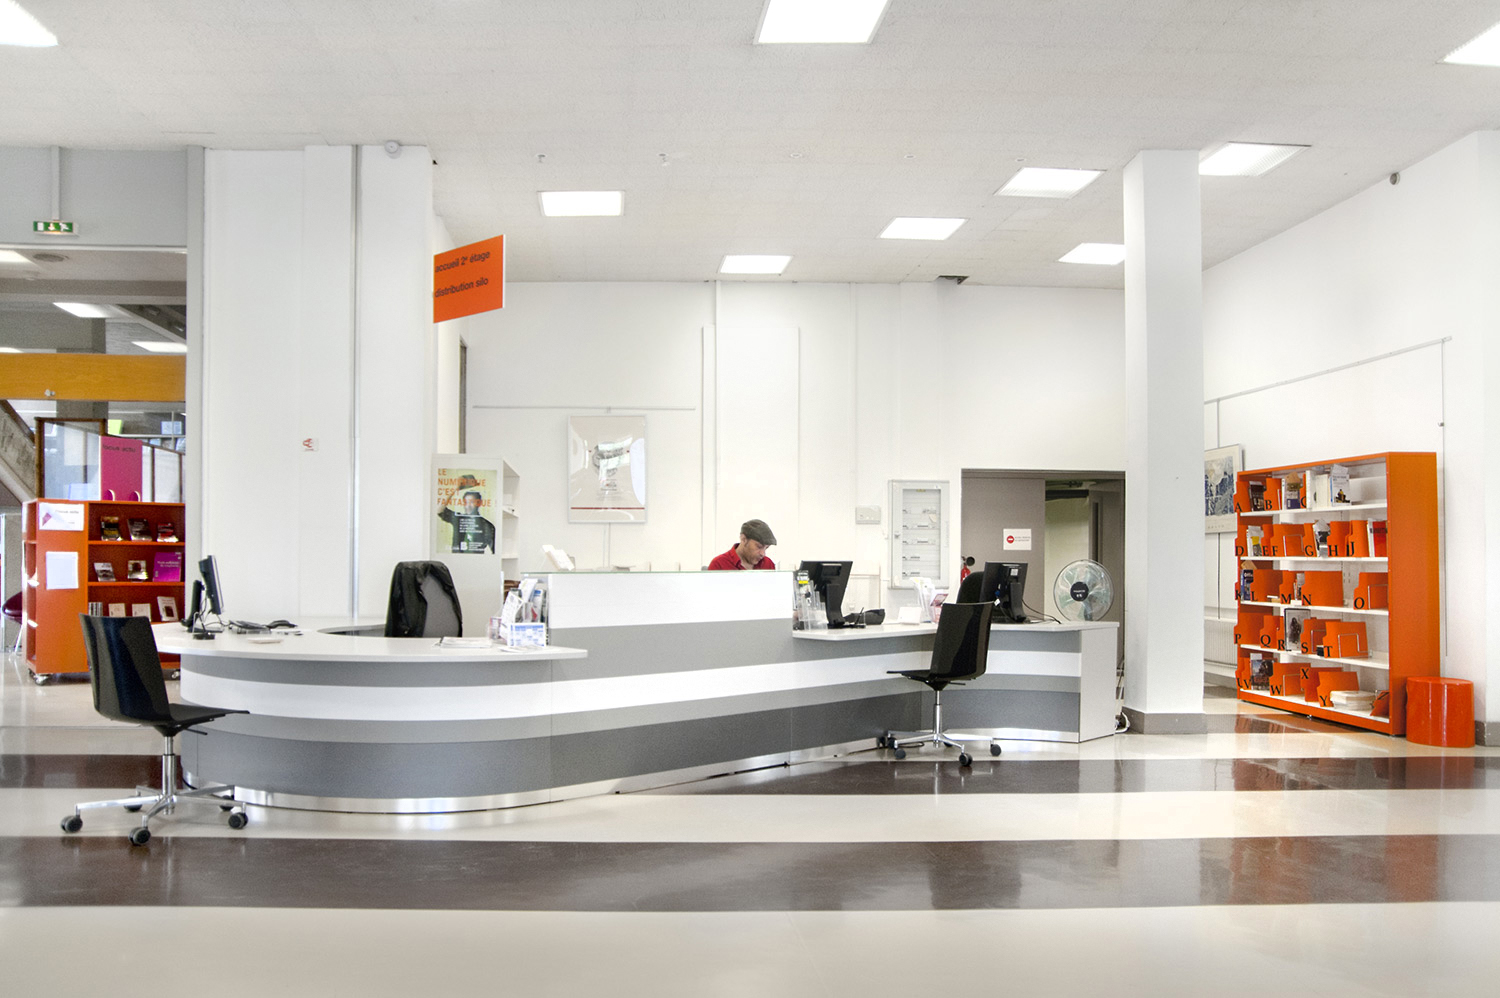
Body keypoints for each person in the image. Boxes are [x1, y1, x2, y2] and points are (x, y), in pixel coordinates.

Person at [437, 488, 496, 554]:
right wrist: (454, 490)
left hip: (475, 559)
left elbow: (495, 551)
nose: (468, 506)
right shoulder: (458, 518)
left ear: (479, 503)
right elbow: (439, 510)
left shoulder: (487, 526)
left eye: (472, 502)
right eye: (466, 502)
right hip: (456, 559)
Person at [707, 519, 777, 570]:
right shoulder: (719, 564)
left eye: (766, 548)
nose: (763, 553)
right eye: (759, 547)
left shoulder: (768, 564)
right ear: (743, 539)